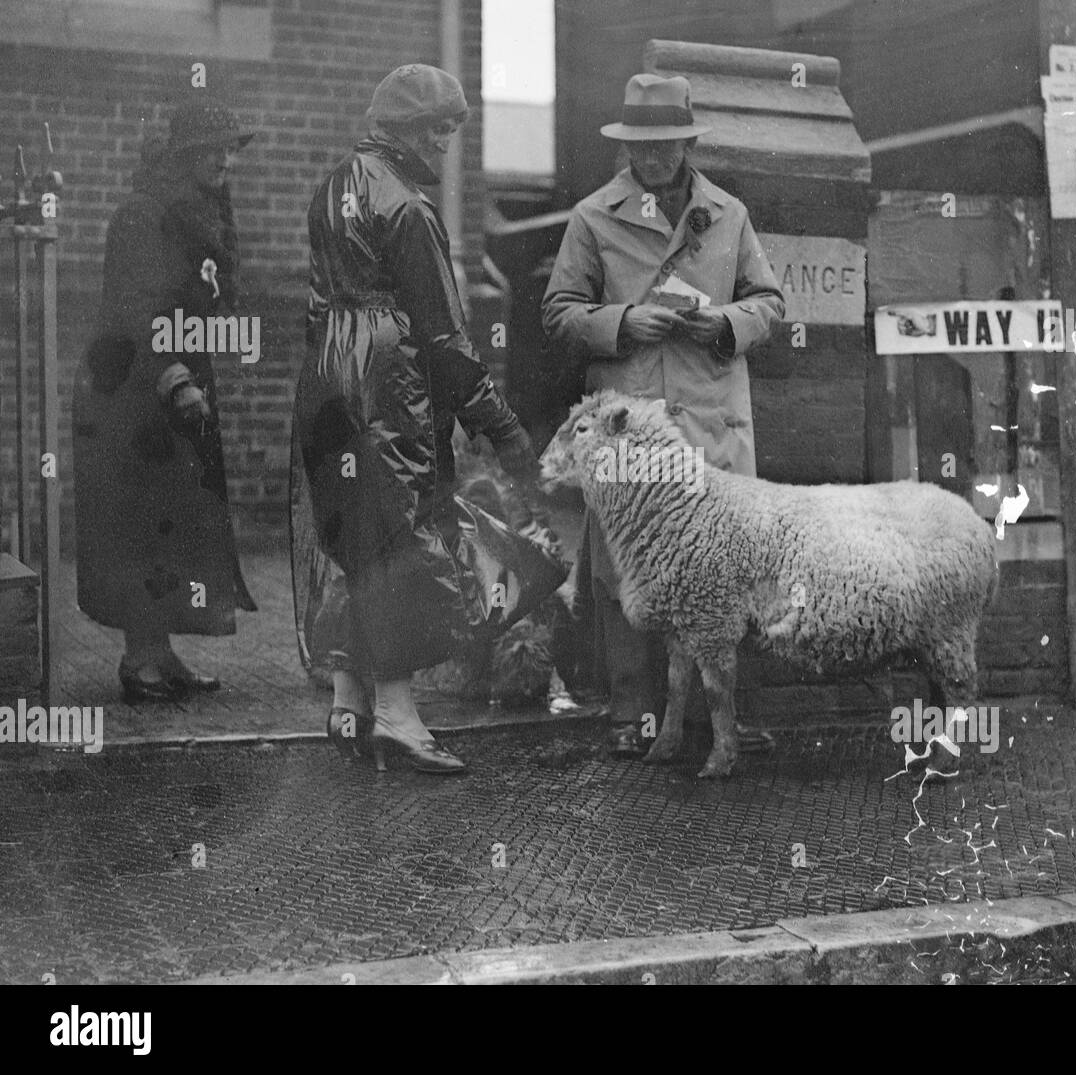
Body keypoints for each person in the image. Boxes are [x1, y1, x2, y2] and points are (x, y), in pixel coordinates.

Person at [292, 63, 539, 774]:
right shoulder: (407, 208)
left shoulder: (332, 187)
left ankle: (348, 701)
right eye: (439, 128)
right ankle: (398, 716)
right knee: (403, 542)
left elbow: (318, 302)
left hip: (330, 380)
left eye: (454, 128)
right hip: (389, 389)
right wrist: (499, 424)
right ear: (404, 129)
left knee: (353, 537)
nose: (447, 143)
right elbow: (445, 340)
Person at [542, 73, 785, 758]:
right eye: (641, 147)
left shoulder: (728, 214)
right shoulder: (593, 217)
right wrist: (622, 322)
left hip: (709, 415)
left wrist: (724, 323)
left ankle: (722, 718)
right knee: (626, 566)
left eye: (666, 145)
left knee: (721, 566)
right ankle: (631, 711)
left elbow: (768, 300)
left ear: (685, 141)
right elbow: (557, 311)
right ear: (626, 146)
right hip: (632, 423)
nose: (653, 159)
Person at [74, 96, 258, 701]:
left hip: (180, 383)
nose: (225, 159)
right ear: (180, 156)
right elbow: (131, 310)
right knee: (143, 523)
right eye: (211, 148)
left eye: (230, 147)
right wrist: (175, 376)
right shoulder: (142, 215)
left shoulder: (203, 216)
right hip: (133, 391)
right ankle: (138, 661)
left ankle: (162, 651)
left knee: (180, 522)